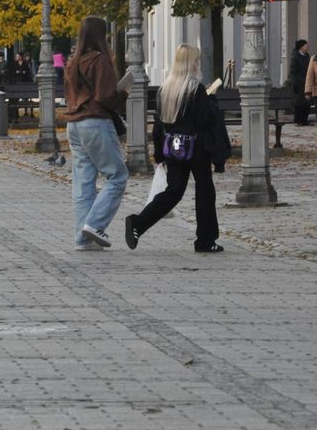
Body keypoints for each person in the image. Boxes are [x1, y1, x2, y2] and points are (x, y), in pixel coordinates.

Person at [123, 44, 228, 254]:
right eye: (197, 60)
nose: (199, 64)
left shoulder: (167, 88)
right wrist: (211, 99)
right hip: (196, 148)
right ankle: (205, 240)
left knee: (173, 192)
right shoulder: (195, 89)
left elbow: (159, 124)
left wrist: (159, 153)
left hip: (174, 148)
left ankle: (138, 223)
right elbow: (205, 119)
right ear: (192, 63)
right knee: (205, 191)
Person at [63, 16, 129, 250]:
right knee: (117, 176)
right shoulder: (100, 61)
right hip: (95, 122)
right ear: (101, 36)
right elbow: (104, 97)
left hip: (74, 124)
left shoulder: (72, 61)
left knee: (83, 183)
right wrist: (122, 94)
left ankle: (83, 238)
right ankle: (94, 224)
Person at [290, 39, 311, 125]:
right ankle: (298, 120)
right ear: (301, 47)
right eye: (305, 45)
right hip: (299, 83)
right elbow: (293, 71)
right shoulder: (295, 57)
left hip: (307, 82)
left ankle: (305, 120)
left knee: (307, 102)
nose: (307, 47)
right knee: (299, 102)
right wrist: (294, 83)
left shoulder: (307, 56)